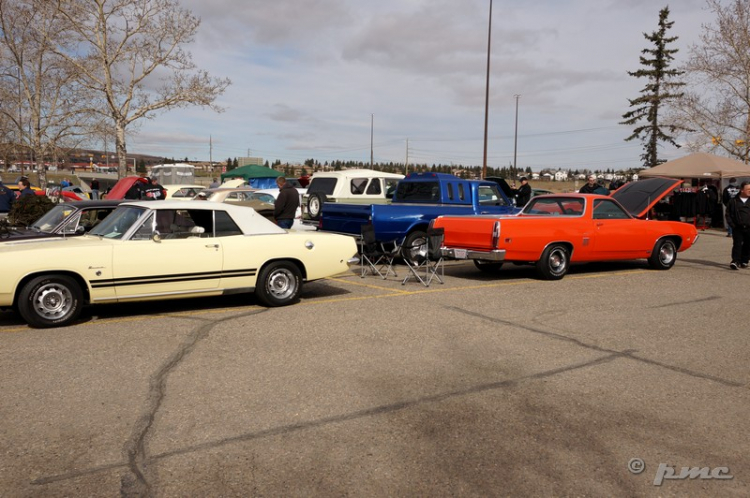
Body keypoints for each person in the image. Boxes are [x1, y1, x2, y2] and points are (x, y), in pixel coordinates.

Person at [724, 181, 750, 270]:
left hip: (749, 227)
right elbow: (728, 214)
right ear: (742, 190)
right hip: (737, 227)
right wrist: (732, 225)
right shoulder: (733, 201)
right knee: (737, 244)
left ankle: (744, 261)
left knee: (748, 244)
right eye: (748, 189)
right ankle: (735, 261)